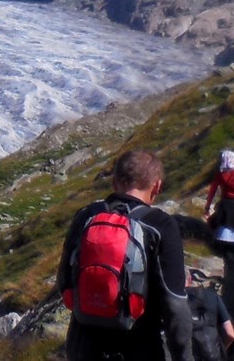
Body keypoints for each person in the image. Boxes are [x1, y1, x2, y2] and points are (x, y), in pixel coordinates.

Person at [59, 150, 193, 361]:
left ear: (114, 182)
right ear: (156, 186)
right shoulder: (161, 225)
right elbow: (175, 305)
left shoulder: (86, 216)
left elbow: (64, 284)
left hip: (84, 347)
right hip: (138, 349)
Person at [185, 268, 234, 361]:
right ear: (189, 279)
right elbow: (230, 333)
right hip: (213, 355)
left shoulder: (176, 301)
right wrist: (221, 349)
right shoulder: (213, 296)